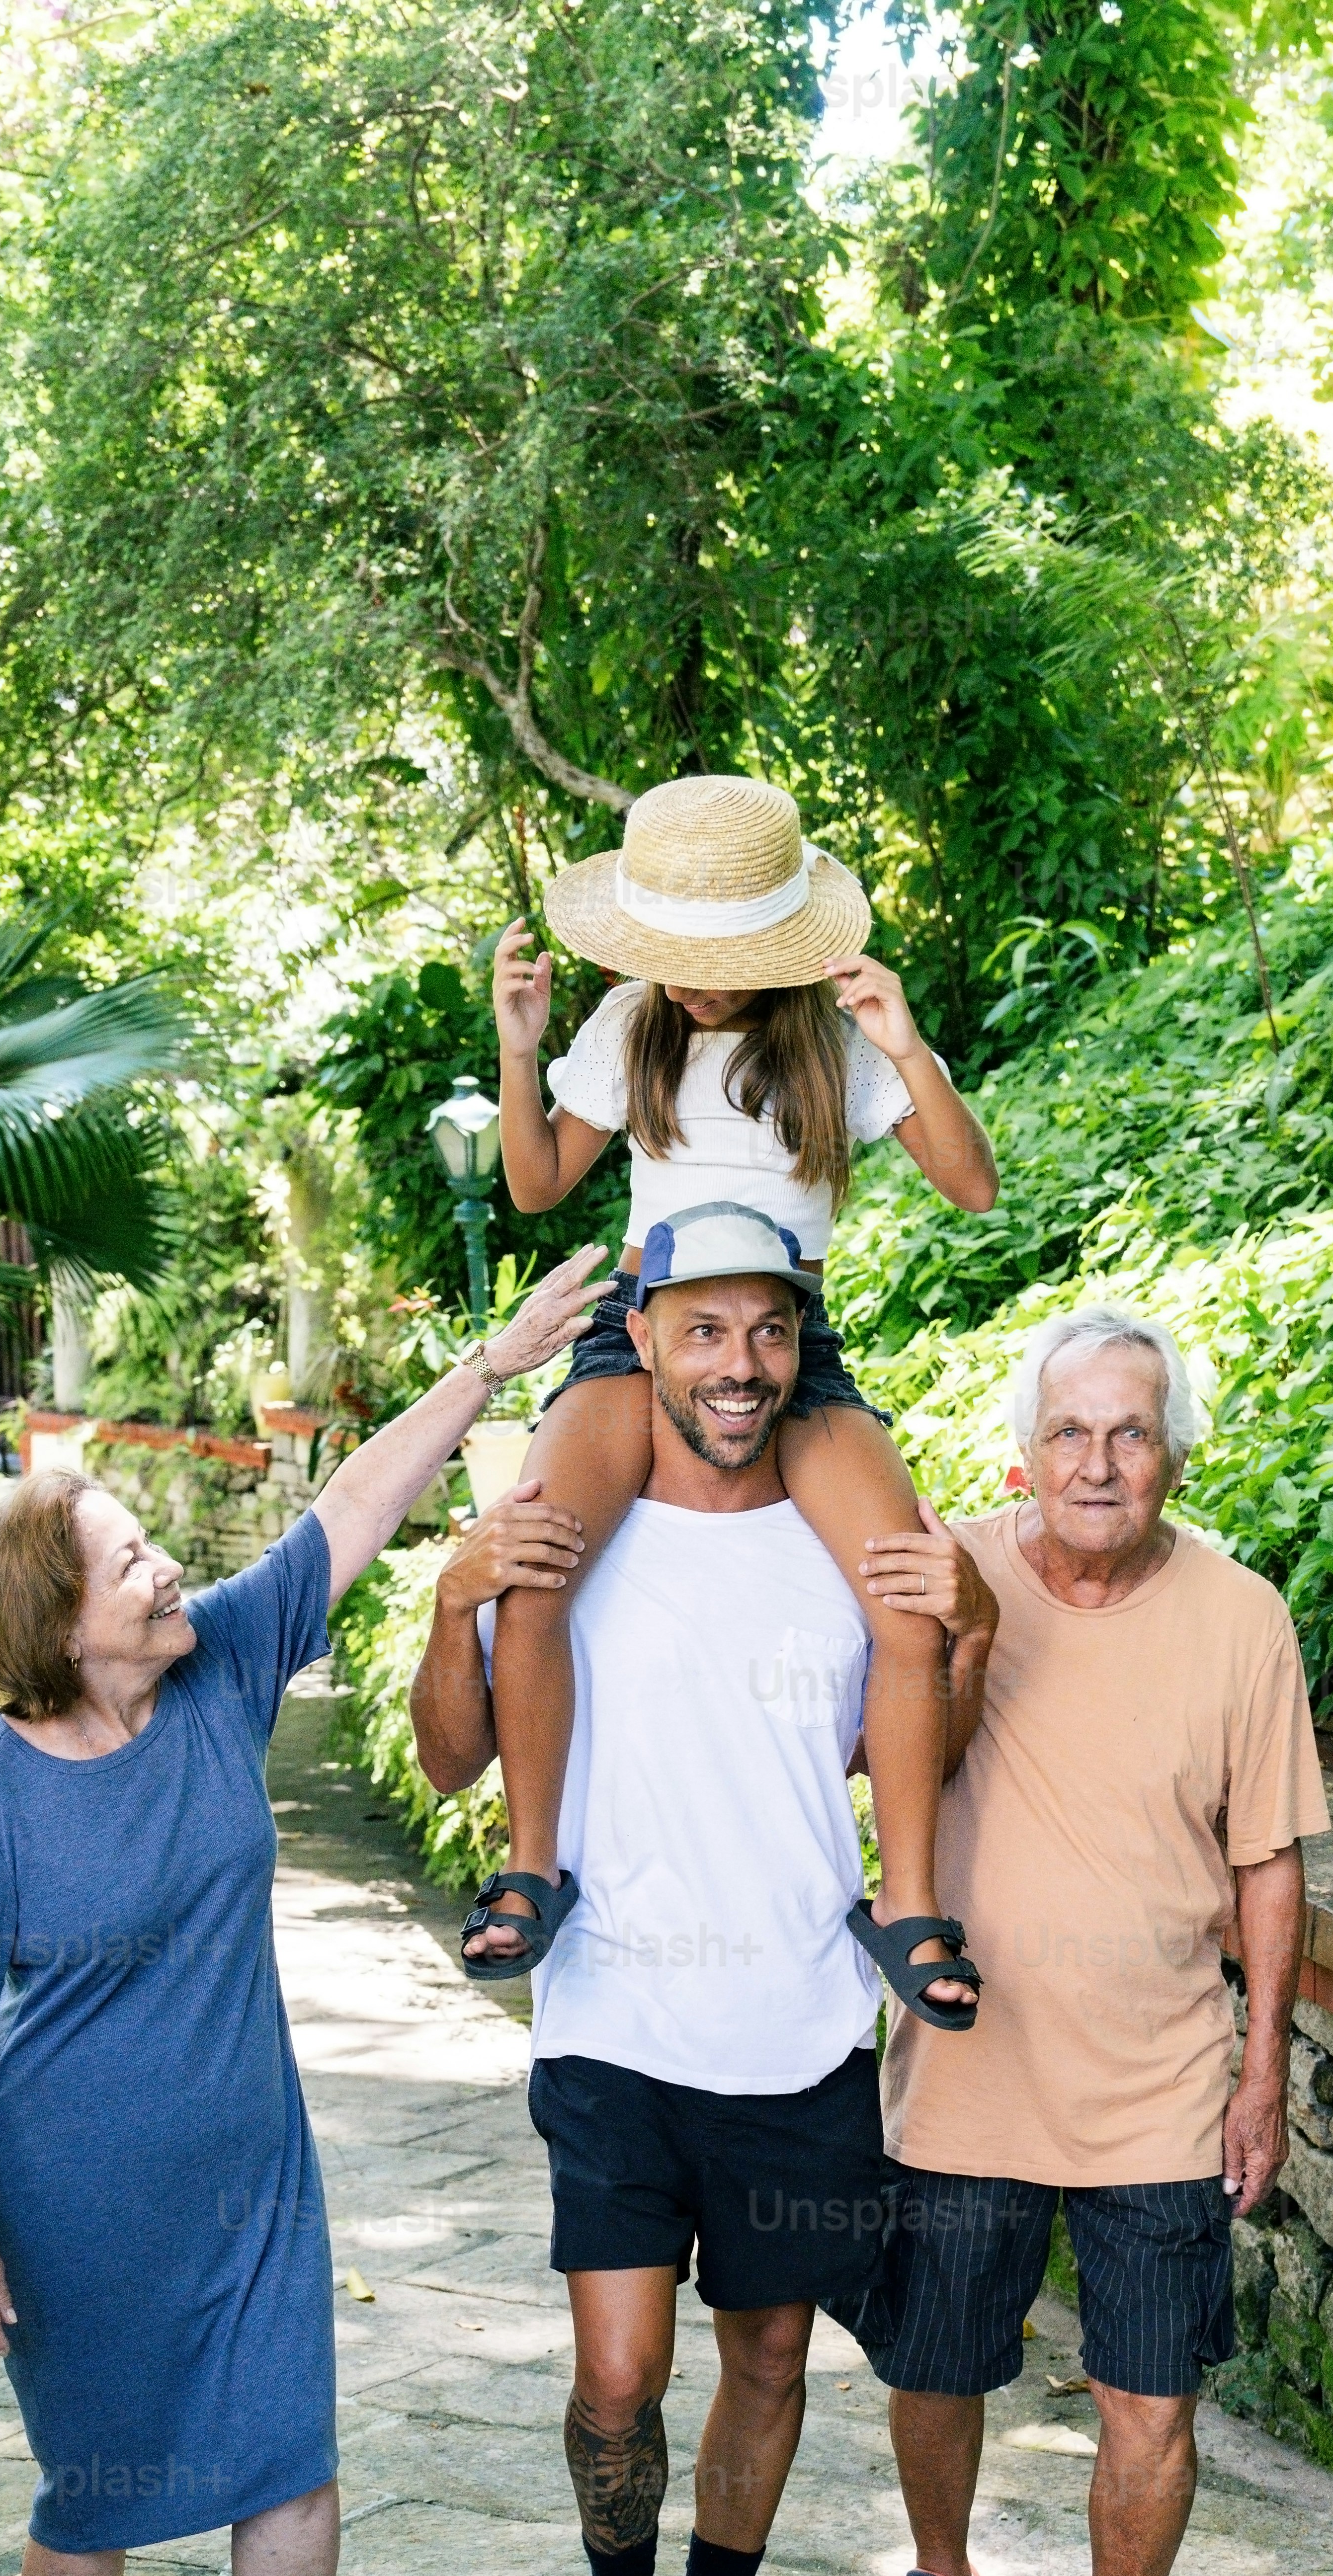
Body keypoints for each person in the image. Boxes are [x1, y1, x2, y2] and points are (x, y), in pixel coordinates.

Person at [0, 1245, 605, 2576]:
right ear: (59, 1624)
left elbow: (349, 1506)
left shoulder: (213, 1675)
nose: (161, 1576)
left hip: (251, 2173)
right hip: (70, 2200)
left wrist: (489, 1368)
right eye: (127, 1563)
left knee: (289, 2453)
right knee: (97, 2487)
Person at [411, 1204, 987, 2576]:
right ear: (644, 1338)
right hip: (610, 2026)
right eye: (708, 1333)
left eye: (771, 1335)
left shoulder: (835, 1535)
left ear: (802, 1353)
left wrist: (976, 1619)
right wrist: (450, 1589)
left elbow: (924, 1712)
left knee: (772, 2360)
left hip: (799, 2023)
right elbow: (450, 1750)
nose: (741, 1368)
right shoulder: (567, 1531)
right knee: (615, 2376)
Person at [849, 1306, 1327, 2576]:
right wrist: (967, 1632)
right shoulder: (956, 1571)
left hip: (1163, 2086)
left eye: (1131, 1431)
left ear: (1174, 1453)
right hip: (967, 2066)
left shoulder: (1242, 1614)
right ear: (1025, 1448)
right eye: (1071, 1430)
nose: (1100, 1460)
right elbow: (882, 1759)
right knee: (935, 2364)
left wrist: (1263, 2074)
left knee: (1153, 2391)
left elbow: (1268, 1867)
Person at [465, 770, 998, 2041]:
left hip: (786, 1341)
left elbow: (972, 1187)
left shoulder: (824, 1041)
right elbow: (538, 1188)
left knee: (907, 1589)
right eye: (677, 954)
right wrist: (521, 1044)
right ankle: (534, 1863)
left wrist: (905, 1045)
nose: (697, 979)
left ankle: (907, 1901)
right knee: (538, 1560)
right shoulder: (632, 1027)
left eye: (722, 955)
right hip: (645, 1329)